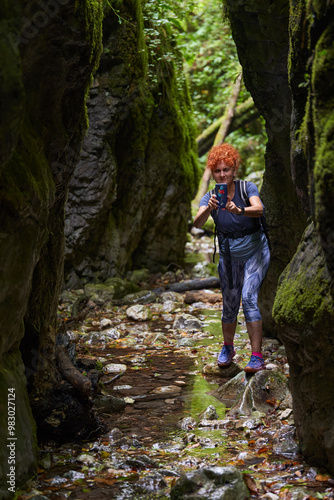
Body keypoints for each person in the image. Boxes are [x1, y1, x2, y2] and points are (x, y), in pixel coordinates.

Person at [193, 143, 270, 373]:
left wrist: (239, 210)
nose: (222, 174)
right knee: (229, 305)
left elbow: (259, 209)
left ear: (234, 169)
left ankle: (256, 356)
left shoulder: (248, 188)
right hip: (228, 256)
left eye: (226, 169)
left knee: (248, 297)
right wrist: (209, 209)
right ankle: (228, 347)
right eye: (218, 170)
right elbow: (196, 223)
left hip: (255, 250)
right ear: (213, 173)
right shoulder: (210, 197)